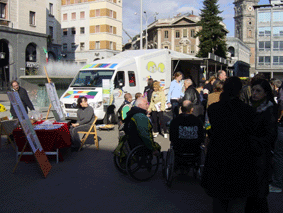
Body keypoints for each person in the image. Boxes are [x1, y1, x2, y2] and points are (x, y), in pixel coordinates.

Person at [201, 77, 257, 213]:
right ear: (239, 91)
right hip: (240, 156)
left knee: (219, 198)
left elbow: (210, 129)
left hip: (218, 154)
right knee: (238, 198)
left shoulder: (214, 109)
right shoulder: (248, 111)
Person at [245, 79, 278, 213]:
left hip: (261, 154)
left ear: (265, 93)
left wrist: (255, 142)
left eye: (258, 91)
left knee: (259, 193)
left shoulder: (269, 109)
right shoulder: (251, 107)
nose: (254, 93)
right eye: (253, 90)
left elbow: (271, 135)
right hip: (251, 153)